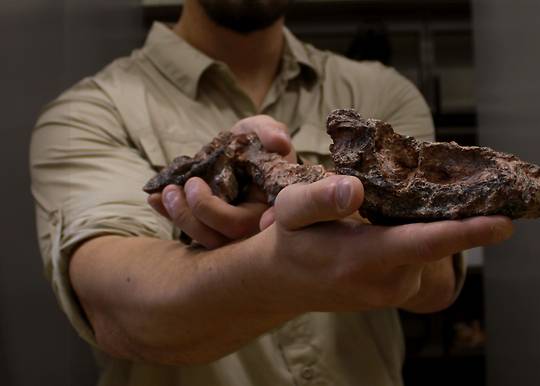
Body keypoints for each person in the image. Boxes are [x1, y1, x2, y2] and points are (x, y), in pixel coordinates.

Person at [29, 0, 514, 384]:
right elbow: (120, 313)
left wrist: (348, 226)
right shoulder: (87, 114)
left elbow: (437, 284)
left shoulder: (382, 90)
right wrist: (275, 265)